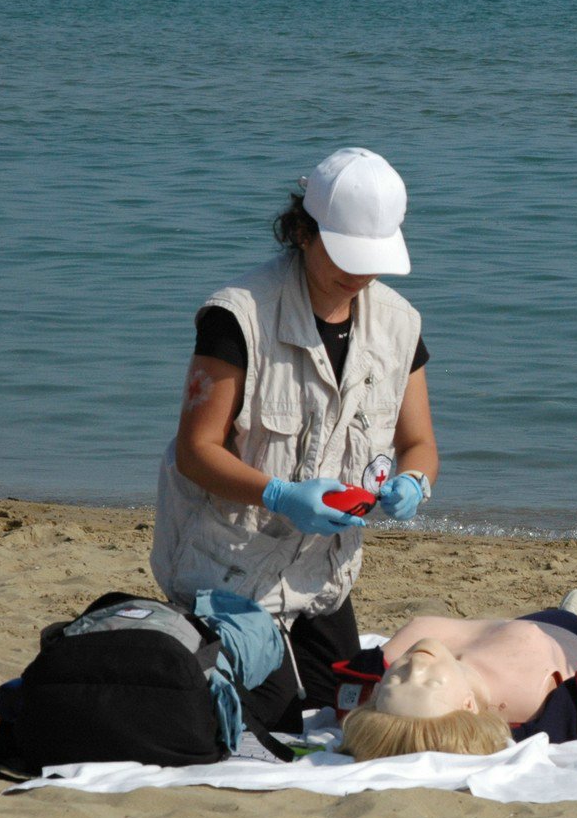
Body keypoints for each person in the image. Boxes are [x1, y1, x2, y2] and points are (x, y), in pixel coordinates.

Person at [151, 147, 439, 732]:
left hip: (322, 579)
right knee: (267, 718)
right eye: (344, 254)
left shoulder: (399, 323)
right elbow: (195, 451)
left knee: (345, 709)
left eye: (371, 258)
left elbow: (420, 442)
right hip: (229, 567)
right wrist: (280, 495)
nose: (359, 274)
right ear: (303, 232)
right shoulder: (238, 316)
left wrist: (414, 482)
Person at [338, 573, 577, 759]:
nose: (413, 667)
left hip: (519, 629)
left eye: (397, 679)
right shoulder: (523, 708)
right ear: (468, 707)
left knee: (561, 622)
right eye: (424, 685)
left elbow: (343, 697)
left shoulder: (378, 671)